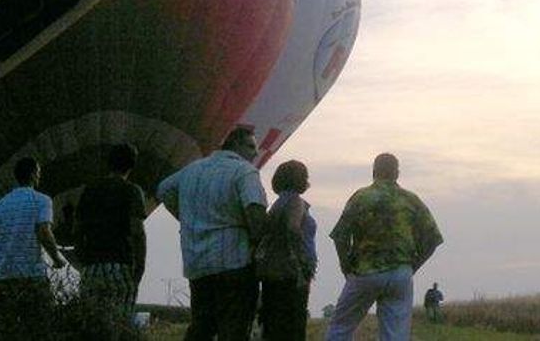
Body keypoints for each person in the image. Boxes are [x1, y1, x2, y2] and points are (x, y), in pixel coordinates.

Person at [157, 126, 268, 341]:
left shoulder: (192, 169)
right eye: (251, 146)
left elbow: (164, 189)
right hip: (235, 262)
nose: (256, 153)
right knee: (234, 327)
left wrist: (186, 217)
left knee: (202, 325)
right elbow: (255, 210)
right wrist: (257, 242)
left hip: (198, 263)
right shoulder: (244, 171)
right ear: (235, 145)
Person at [325, 153, 443, 341]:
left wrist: (345, 265)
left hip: (364, 271)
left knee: (341, 326)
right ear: (397, 173)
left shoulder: (361, 197)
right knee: (395, 334)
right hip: (400, 273)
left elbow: (340, 236)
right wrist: (413, 265)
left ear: (374, 172)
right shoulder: (411, 200)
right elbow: (433, 239)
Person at [0, 156, 67, 340]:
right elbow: (44, 232)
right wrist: (57, 259)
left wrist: (5, 247)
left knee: (3, 332)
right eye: (38, 173)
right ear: (34, 175)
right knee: (39, 328)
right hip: (30, 276)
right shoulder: (42, 200)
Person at [74, 142, 147, 340]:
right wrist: (140, 266)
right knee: (119, 326)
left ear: (108, 163)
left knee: (91, 327)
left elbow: (77, 230)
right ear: (131, 166)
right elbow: (137, 232)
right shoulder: (132, 191)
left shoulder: (89, 190)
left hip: (91, 269)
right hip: (119, 266)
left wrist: (83, 260)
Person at [258, 160, 316, 341]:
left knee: (274, 325)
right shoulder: (295, 201)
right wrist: (301, 261)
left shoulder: (277, 204)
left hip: (273, 271)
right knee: (294, 324)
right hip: (292, 273)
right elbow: (293, 227)